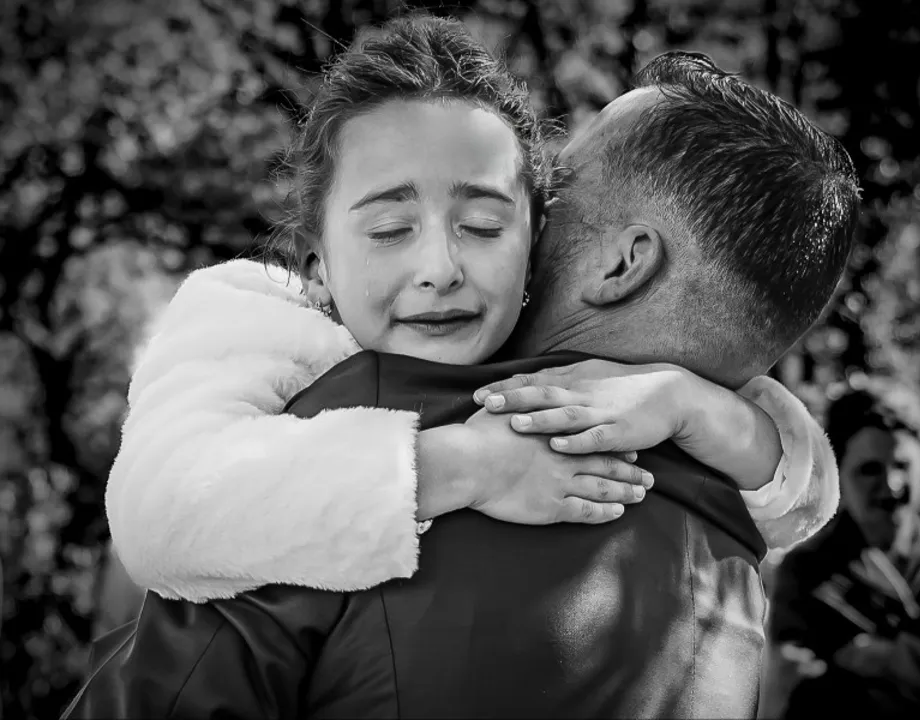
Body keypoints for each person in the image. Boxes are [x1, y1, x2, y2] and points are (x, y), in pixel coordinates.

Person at [64, 16, 857, 719]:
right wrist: (700, 408)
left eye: (540, 198)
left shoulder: (351, 422)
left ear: (623, 266)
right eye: (390, 229)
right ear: (319, 259)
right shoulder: (738, 570)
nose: (442, 268)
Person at [765, 388, 920, 718]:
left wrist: (871, 657)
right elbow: (794, 687)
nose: (893, 485)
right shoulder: (808, 571)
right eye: (870, 469)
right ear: (838, 475)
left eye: (903, 465)